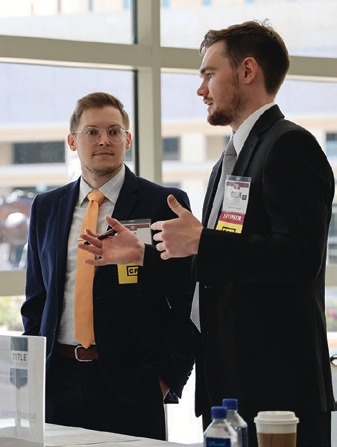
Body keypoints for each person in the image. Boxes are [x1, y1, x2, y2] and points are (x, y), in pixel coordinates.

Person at [78, 21, 335, 446]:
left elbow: (300, 258)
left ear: (248, 71)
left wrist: (202, 241)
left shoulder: (290, 146)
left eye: (209, 73)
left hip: (278, 394)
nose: (201, 89)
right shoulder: (227, 162)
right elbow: (218, 268)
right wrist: (145, 258)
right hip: (229, 388)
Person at [21, 92, 195, 439]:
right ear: (73, 141)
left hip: (133, 385)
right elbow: (36, 299)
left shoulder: (163, 203)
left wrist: (165, 378)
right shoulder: (46, 206)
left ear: (127, 140)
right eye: (92, 132)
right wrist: (33, 375)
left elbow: (186, 295)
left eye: (115, 131)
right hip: (59, 382)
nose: (105, 140)